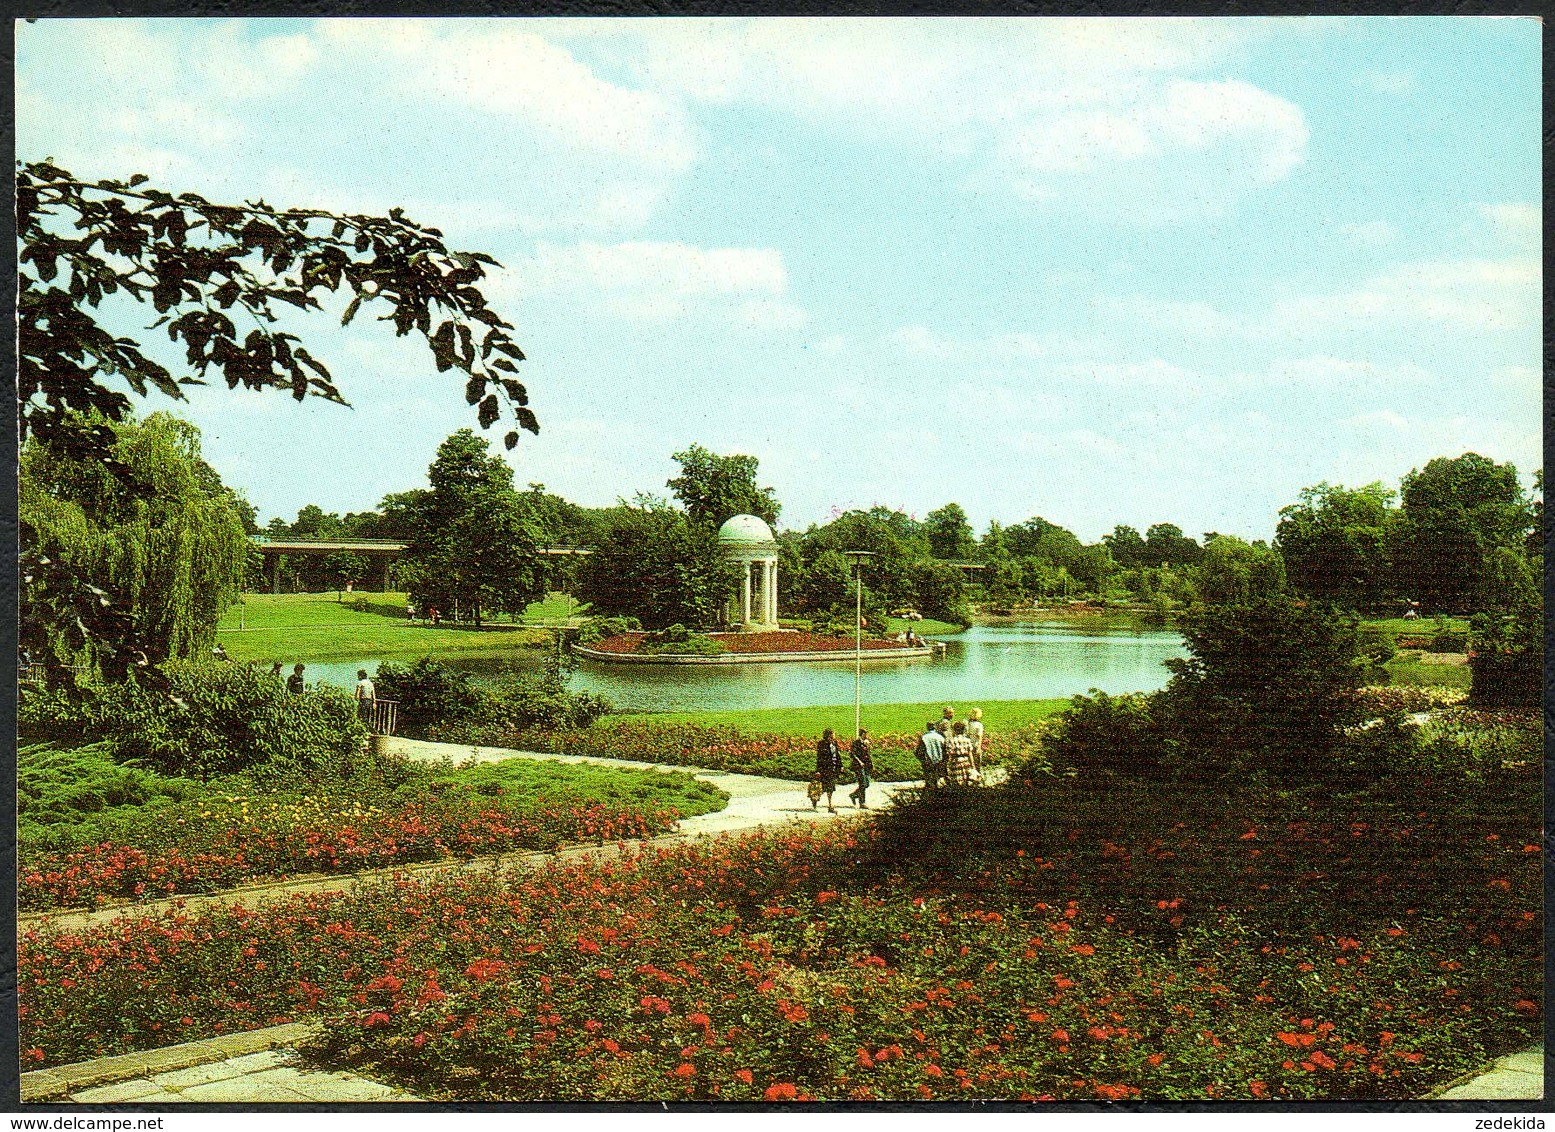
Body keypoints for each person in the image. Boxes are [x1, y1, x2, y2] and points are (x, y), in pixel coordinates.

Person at [815, 728, 844, 814]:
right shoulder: (821, 744)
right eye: (833, 734)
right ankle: (815, 798)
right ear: (829, 735)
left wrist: (840, 765)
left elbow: (837, 755)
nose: (834, 735)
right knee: (823, 788)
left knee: (830, 788)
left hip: (832, 769)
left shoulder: (834, 743)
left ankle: (830, 806)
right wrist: (818, 770)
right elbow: (819, 758)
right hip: (824, 769)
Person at [915, 719, 946, 791]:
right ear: (935, 727)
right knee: (937, 778)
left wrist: (922, 760)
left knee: (929, 779)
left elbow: (919, 751)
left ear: (927, 727)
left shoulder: (924, 737)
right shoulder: (940, 737)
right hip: (939, 761)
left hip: (928, 761)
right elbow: (945, 750)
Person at [848, 729, 874, 809]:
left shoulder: (866, 742)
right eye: (866, 734)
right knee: (862, 783)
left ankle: (854, 795)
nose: (867, 735)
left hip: (866, 765)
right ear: (862, 734)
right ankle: (862, 802)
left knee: (866, 784)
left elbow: (868, 754)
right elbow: (852, 754)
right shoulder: (856, 743)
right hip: (858, 766)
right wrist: (859, 762)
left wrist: (868, 746)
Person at [945, 720, 977, 786]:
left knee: (957, 783)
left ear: (954, 730)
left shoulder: (951, 741)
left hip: (956, 762)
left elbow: (950, 755)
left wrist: (948, 766)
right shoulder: (967, 740)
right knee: (967, 781)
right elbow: (970, 754)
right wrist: (973, 765)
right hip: (966, 762)